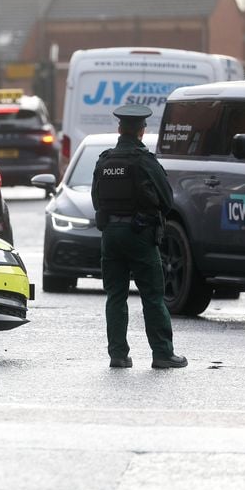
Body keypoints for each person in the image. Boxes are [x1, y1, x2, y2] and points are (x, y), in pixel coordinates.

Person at [91, 104, 187, 369]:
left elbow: (96, 199)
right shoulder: (145, 161)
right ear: (142, 131)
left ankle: (118, 355)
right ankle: (162, 354)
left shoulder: (105, 160)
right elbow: (166, 200)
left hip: (110, 235)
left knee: (115, 296)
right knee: (153, 296)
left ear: (120, 128)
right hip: (140, 235)